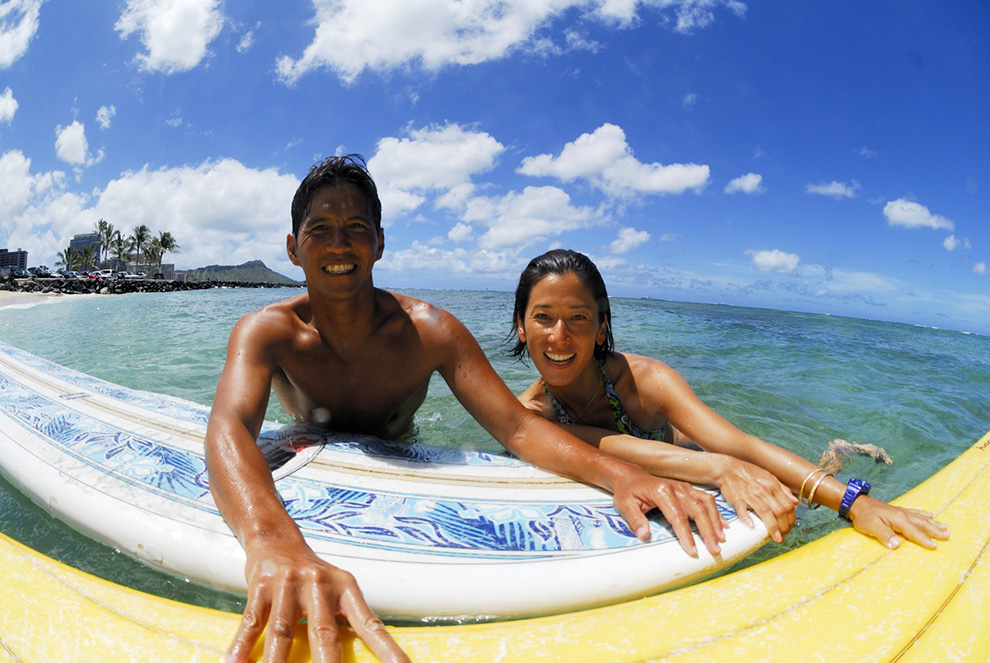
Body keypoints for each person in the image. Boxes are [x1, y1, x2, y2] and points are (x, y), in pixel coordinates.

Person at [204, 156, 730, 663]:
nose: (339, 244)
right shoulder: (266, 332)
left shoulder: (430, 332)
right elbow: (228, 427)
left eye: (356, 227)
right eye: (320, 229)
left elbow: (518, 426)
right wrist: (271, 540)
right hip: (308, 444)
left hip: (397, 447)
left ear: (380, 243)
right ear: (294, 248)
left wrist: (621, 476)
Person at [509, 248, 951, 550]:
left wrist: (856, 503)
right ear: (523, 326)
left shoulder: (648, 381)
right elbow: (603, 447)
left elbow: (738, 446)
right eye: (543, 318)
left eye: (578, 318)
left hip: (697, 456)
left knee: (788, 497)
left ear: (602, 328)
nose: (559, 336)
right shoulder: (529, 414)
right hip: (689, 469)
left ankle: (841, 457)